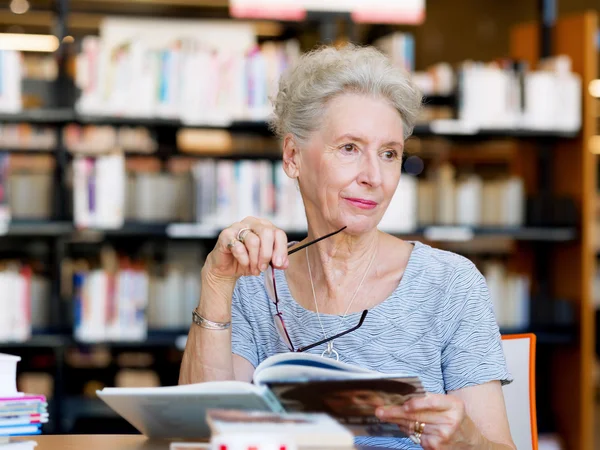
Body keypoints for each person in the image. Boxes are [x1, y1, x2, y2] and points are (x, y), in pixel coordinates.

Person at [179, 43, 516, 450]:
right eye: (350, 148)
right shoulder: (252, 281)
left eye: (389, 154)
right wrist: (216, 282)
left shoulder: (450, 285)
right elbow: (199, 434)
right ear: (292, 157)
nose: (374, 176)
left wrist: (465, 442)